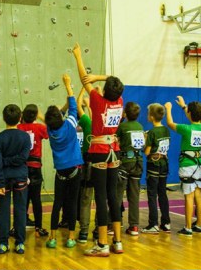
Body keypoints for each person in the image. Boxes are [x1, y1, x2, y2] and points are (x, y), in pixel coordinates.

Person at [72, 42, 125, 256]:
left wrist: (78, 57)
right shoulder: (119, 101)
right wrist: (102, 78)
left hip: (100, 151)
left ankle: (102, 244)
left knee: (101, 197)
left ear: (104, 90)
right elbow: (116, 81)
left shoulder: (97, 101)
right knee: (113, 196)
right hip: (114, 150)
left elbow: (84, 78)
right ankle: (118, 241)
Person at [45, 74, 84, 248]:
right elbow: (74, 107)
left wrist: (65, 106)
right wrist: (68, 85)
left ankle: (52, 237)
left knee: (57, 203)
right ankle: (70, 237)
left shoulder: (50, 130)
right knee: (72, 202)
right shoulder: (69, 125)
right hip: (75, 169)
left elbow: (59, 115)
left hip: (60, 171)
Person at [165, 97, 201, 236]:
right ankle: (199, 224)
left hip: (188, 165)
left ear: (190, 114)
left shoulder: (186, 129)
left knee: (188, 196)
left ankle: (188, 227)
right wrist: (184, 106)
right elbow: (193, 116)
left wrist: (168, 109)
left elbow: (170, 123)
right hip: (200, 165)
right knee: (199, 196)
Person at [0, 104, 31, 255]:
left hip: (4, 178)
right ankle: (20, 243)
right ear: (20, 118)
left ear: (3, 118)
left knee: (3, 210)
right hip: (21, 176)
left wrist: (0, 181)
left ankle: (3, 243)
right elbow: (23, 158)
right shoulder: (25, 136)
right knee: (20, 210)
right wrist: (10, 161)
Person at [17, 104, 49, 237]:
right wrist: (41, 117)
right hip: (35, 167)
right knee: (36, 199)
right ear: (35, 115)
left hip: (22, 167)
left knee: (21, 198)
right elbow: (50, 130)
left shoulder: (19, 127)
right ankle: (38, 228)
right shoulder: (40, 128)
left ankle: (18, 226)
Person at [115, 102, 145, 236]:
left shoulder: (122, 126)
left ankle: (113, 223)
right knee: (134, 196)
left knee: (118, 194)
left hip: (125, 162)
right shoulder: (140, 127)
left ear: (125, 113)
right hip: (138, 163)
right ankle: (134, 226)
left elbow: (116, 140)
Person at [141, 103, 171, 234]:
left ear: (152, 117)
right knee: (162, 193)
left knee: (152, 195)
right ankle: (166, 222)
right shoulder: (166, 130)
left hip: (154, 164)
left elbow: (147, 152)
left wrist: (145, 139)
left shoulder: (152, 132)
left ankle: (153, 223)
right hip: (164, 164)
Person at [77, 88, 95, 243]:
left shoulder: (88, 123)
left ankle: (84, 232)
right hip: (105, 162)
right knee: (103, 198)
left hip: (89, 163)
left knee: (86, 198)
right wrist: (90, 106)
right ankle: (99, 230)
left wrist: (83, 89)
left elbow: (77, 105)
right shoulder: (105, 124)